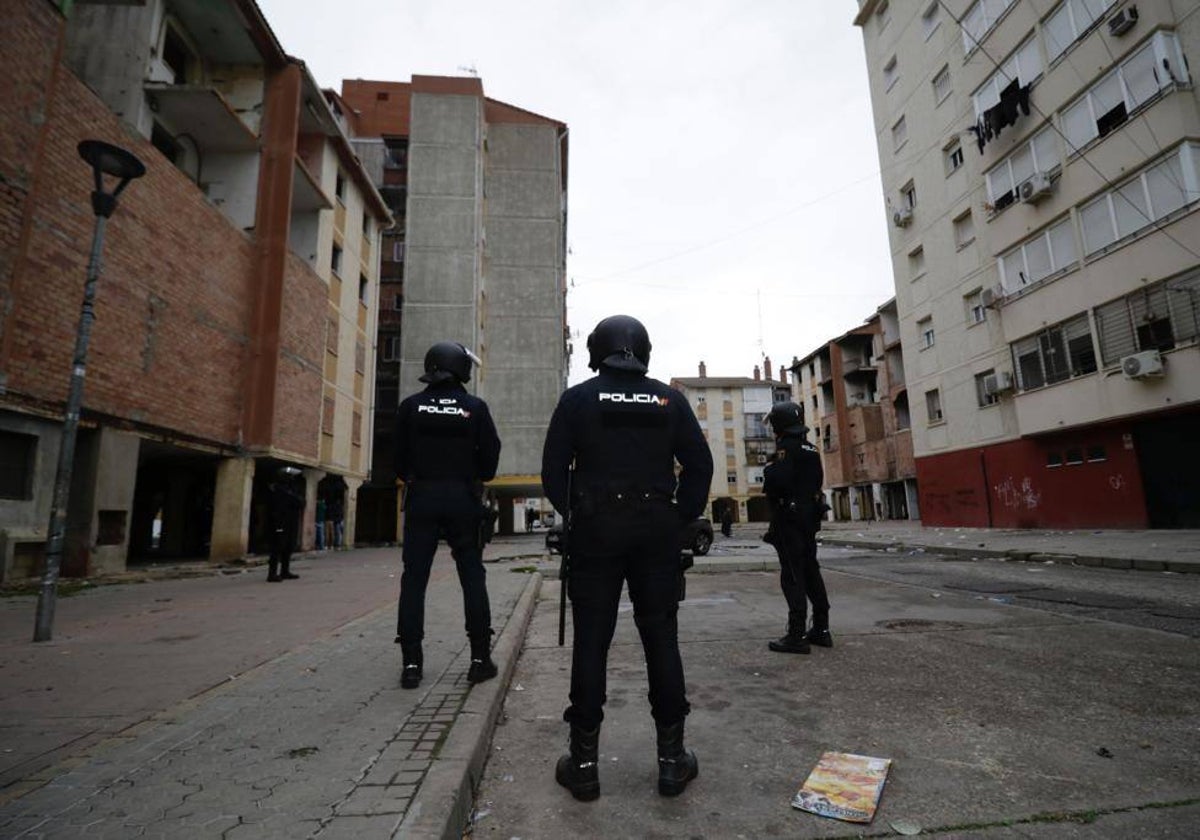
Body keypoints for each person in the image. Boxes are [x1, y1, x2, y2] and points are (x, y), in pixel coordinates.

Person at [542, 314, 713, 801]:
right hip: (656, 529)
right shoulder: (669, 399)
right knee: (661, 638)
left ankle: (584, 765)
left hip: (596, 530)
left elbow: (553, 469)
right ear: (643, 350)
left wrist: (576, 511)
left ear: (598, 350)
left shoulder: (577, 399)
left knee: (591, 642)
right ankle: (673, 762)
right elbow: (700, 464)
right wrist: (679, 516)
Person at [395, 341, 502, 690]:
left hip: (422, 497)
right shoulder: (475, 407)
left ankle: (411, 664)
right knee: (472, 576)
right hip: (462, 499)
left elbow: (396, 459)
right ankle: (479, 660)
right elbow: (489, 464)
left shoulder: (410, 407)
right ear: (461, 369)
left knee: (414, 580)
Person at [762, 401, 831, 654]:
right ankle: (821, 628)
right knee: (811, 571)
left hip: (789, 520)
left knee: (792, 575)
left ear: (780, 424)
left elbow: (776, 483)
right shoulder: (811, 448)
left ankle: (796, 634)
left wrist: (769, 469)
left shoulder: (785, 449)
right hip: (809, 517)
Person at [266, 466, 305, 582]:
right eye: (290, 477)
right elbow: (296, 501)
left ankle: (284, 571)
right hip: (279, 522)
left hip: (291, 522)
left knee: (288, 547)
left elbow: (301, 503)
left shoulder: (290, 489)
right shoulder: (277, 489)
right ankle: (272, 574)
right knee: (277, 548)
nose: (292, 479)